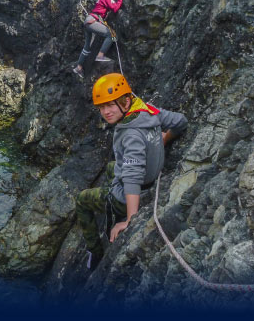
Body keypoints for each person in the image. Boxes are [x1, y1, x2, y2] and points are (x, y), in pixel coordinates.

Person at [76, 73, 188, 269]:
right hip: (151, 174)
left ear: (126, 102)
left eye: (111, 105)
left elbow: (132, 178)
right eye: (102, 107)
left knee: (83, 200)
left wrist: (130, 219)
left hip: (137, 189)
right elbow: (180, 122)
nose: (106, 112)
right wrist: (163, 139)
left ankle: (94, 251)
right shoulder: (147, 111)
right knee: (112, 167)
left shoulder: (130, 135)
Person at [73, 0, 127, 78]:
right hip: (93, 21)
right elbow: (114, 8)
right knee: (110, 35)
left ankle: (79, 68)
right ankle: (100, 55)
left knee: (87, 47)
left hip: (89, 21)